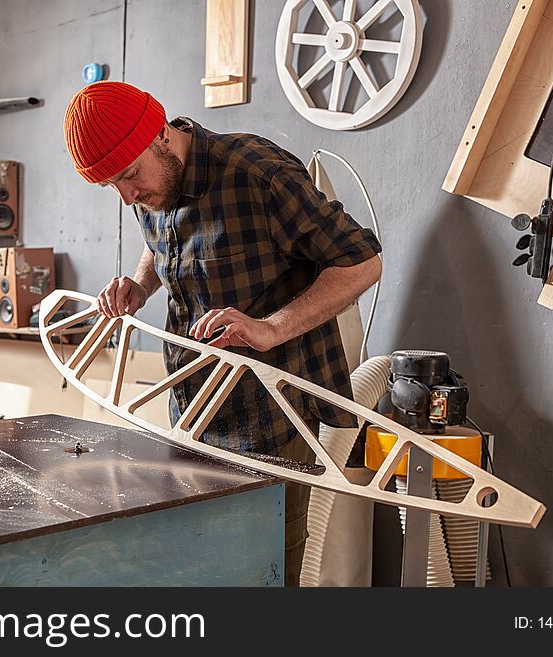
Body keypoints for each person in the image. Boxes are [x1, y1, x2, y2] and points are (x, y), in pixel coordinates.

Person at [64, 81, 382, 586]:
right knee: (204, 567)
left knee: (266, 576)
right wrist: (140, 285)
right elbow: (162, 239)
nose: (128, 197)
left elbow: (363, 262)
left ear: (160, 136)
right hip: (192, 413)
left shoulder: (258, 176)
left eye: (129, 177)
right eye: (112, 188)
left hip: (271, 424)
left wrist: (272, 327)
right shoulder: (153, 184)